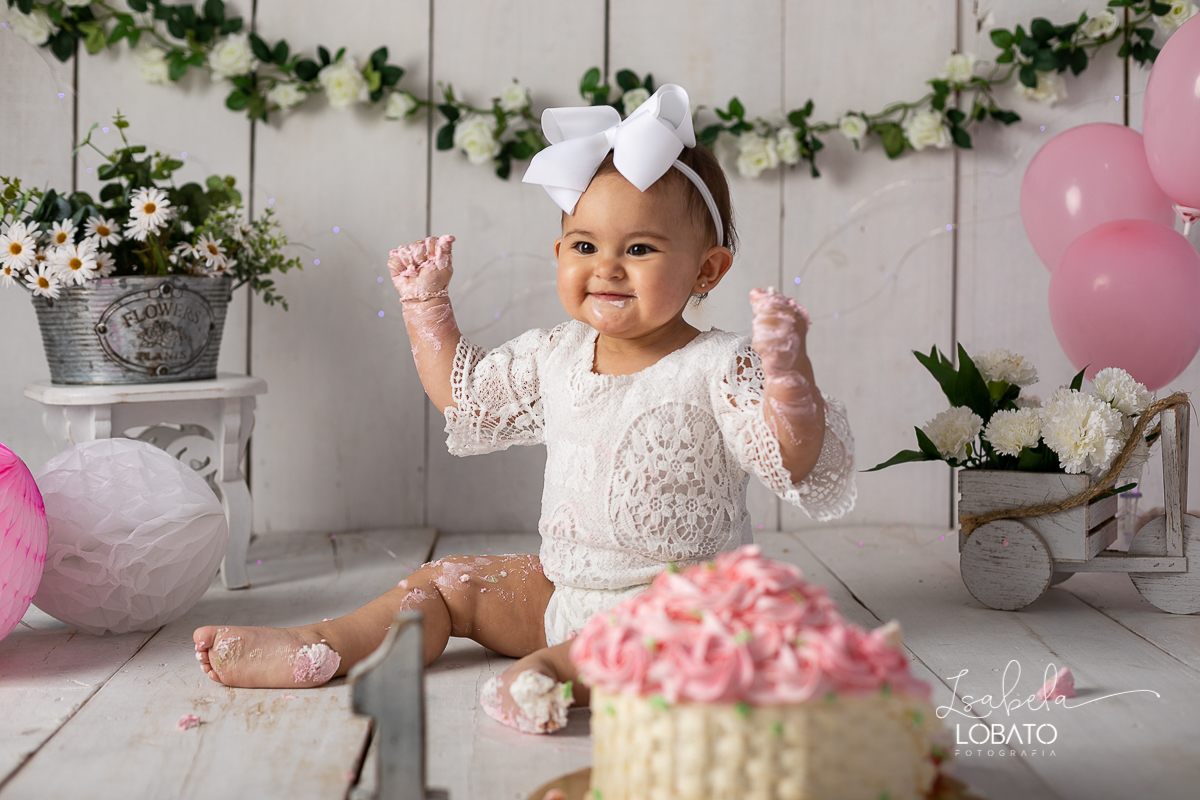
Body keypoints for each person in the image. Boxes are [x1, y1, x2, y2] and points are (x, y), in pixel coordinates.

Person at [192, 85, 855, 733]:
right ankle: (327, 643)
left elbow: (791, 455)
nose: (608, 267)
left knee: (690, 632)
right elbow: (465, 393)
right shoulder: (556, 354)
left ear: (707, 270)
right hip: (564, 593)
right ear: (561, 252)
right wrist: (427, 307)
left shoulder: (719, 365)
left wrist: (788, 378)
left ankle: (548, 673)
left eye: (640, 248)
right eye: (586, 245)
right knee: (448, 583)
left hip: (678, 612)